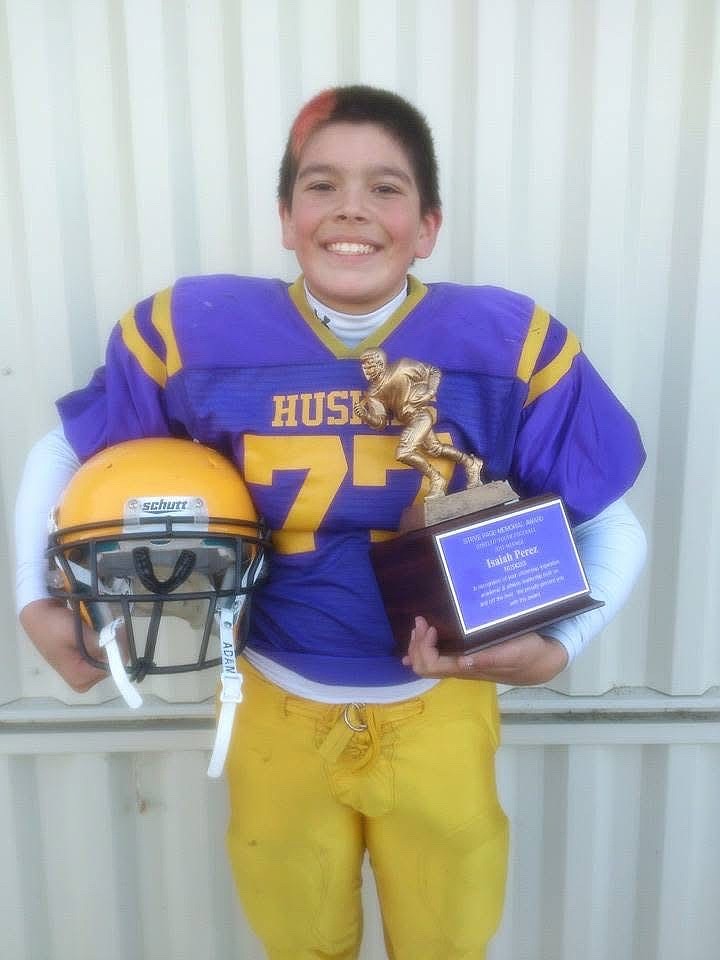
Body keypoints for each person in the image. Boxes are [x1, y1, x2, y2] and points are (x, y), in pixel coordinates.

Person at [15, 85, 646, 959]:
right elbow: (64, 451)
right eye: (322, 184)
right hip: (273, 700)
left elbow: (619, 530)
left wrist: (562, 646)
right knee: (300, 940)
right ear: (285, 215)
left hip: (440, 711)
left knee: (447, 942)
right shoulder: (196, 330)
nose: (352, 206)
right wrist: (33, 600)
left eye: (387, 187)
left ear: (428, 225)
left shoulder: (506, 342)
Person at [355, 347, 484, 498]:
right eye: (364, 366)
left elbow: (432, 371)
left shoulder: (401, 367)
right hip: (410, 420)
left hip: (420, 415)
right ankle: (471, 463)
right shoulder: (373, 393)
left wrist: (430, 392)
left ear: (380, 362)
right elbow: (380, 422)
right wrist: (366, 415)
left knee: (404, 452)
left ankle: (436, 479)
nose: (366, 370)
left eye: (369, 365)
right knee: (435, 448)